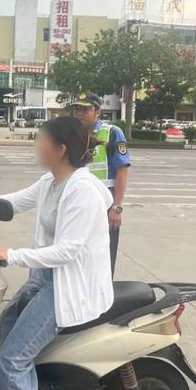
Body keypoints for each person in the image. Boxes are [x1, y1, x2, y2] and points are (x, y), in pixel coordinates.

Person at [0, 116, 113, 390]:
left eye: (42, 140)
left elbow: (67, 251)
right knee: (8, 320)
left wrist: (11, 255)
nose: (36, 145)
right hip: (46, 277)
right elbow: (13, 201)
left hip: (67, 285)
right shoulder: (52, 181)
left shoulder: (82, 191)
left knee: (13, 361)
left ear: (61, 149)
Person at [72, 93, 130, 277]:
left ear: (97, 112)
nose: (79, 113)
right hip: (79, 205)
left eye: (85, 109)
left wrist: (117, 207)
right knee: (78, 254)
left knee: (104, 256)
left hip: (106, 206)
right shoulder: (73, 135)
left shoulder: (112, 133)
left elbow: (122, 170)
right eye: (77, 109)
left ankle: (103, 301)